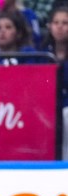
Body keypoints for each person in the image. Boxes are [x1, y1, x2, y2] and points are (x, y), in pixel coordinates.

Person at [42, 4, 68, 158]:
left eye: (65, 23)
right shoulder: (42, 51)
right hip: (46, 106)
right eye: (56, 23)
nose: (59, 27)